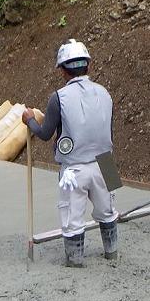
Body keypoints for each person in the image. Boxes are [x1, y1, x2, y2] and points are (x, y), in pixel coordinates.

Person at [21, 39, 118, 267]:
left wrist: (30, 121)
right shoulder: (105, 92)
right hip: (106, 162)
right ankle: (112, 253)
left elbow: (45, 134)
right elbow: (101, 128)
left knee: (73, 219)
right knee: (110, 211)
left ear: (62, 70)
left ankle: (75, 262)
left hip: (74, 167)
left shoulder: (58, 97)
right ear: (89, 66)